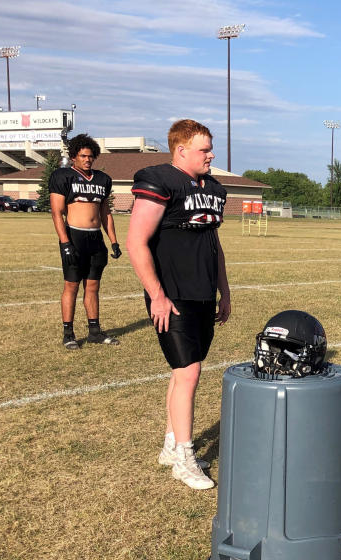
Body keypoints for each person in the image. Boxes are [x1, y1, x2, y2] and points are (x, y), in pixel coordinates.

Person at [126, 119, 231, 490]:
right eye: (204, 149)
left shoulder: (214, 188)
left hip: (202, 291)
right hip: (171, 293)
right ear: (180, 149)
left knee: (181, 371)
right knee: (189, 372)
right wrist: (156, 294)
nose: (211, 154)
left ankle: (172, 445)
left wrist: (225, 290)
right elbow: (136, 241)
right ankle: (184, 457)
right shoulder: (159, 180)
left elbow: (213, 244)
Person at [49, 133, 120, 349]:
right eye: (83, 156)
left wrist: (114, 241)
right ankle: (68, 333)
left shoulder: (102, 179)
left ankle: (94, 331)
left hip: (95, 238)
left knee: (93, 286)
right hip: (74, 236)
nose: (87, 160)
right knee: (71, 286)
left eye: (90, 156)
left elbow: (105, 212)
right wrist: (65, 243)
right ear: (73, 156)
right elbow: (56, 212)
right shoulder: (63, 176)